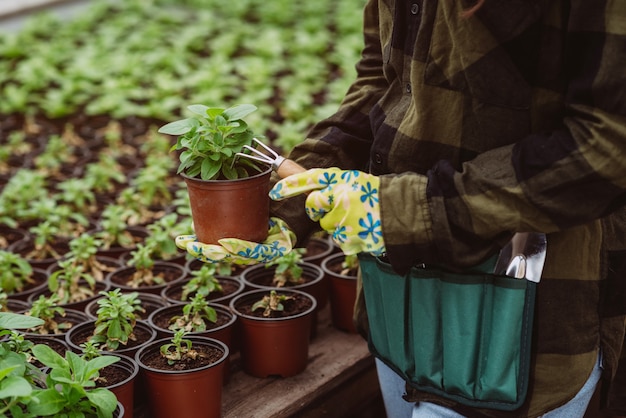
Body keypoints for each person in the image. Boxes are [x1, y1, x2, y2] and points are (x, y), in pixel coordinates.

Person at [178, 1, 626, 417]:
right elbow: (385, 78)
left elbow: (606, 145)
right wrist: (294, 198)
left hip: (524, 321)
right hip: (398, 296)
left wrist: (403, 210)